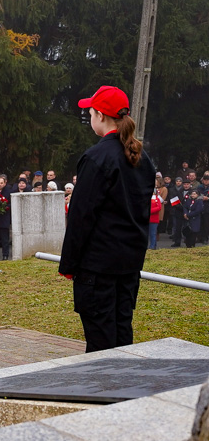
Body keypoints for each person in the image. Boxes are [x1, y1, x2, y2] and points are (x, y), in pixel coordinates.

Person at [59, 86, 155, 353]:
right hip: (127, 265)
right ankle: (123, 393)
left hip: (97, 267)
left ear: (100, 115)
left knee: (100, 342)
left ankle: (106, 393)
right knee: (122, 332)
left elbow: (81, 217)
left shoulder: (97, 157)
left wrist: (69, 264)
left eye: (90, 111)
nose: (89, 116)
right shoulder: (141, 158)